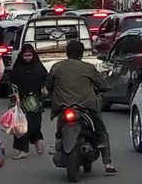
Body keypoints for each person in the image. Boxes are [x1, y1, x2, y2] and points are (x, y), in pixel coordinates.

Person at [45, 40, 116, 174]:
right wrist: (105, 88)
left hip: (63, 106)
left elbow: (49, 85)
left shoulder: (57, 67)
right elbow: (102, 84)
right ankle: (108, 162)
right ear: (81, 53)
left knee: (59, 131)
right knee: (101, 130)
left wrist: (52, 94)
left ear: (67, 52)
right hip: (86, 106)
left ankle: (59, 145)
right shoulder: (87, 67)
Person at [10, 44, 47, 160]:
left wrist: (44, 88)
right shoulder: (18, 67)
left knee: (35, 123)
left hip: (36, 100)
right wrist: (16, 97)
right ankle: (22, 150)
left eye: (30, 55)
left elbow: (46, 79)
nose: (27, 58)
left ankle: (36, 140)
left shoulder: (38, 66)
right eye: (25, 55)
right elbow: (12, 83)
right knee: (21, 126)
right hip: (21, 100)